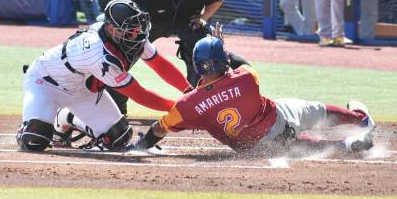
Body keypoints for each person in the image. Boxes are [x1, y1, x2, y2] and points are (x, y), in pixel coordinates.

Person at [132, 35, 376, 154]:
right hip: (280, 119)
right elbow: (240, 63)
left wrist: (141, 146)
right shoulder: (247, 78)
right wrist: (224, 51)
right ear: (222, 61)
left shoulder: (187, 106)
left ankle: (344, 145)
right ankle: (360, 119)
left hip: (254, 148)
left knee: (297, 146)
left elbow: (160, 128)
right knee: (315, 111)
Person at [17, 0, 191, 152]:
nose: (136, 33)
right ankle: (49, 121)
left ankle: (65, 117)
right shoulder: (98, 53)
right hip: (46, 83)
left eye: (137, 27)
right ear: (111, 28)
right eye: (129, 30)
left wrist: (188, 91)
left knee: (118, 138)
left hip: (82, 90)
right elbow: (138, 93)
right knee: (35, 140)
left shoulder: (132, 36)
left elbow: (159, 64)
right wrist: (178, 108)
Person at [113, 0, 249, 92]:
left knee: (209, 48)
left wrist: (203, 18)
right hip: (151, 23)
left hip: (187, 23)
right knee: (120, 52)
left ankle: (198, 95)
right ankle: (117, 103)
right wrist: (128, 20)